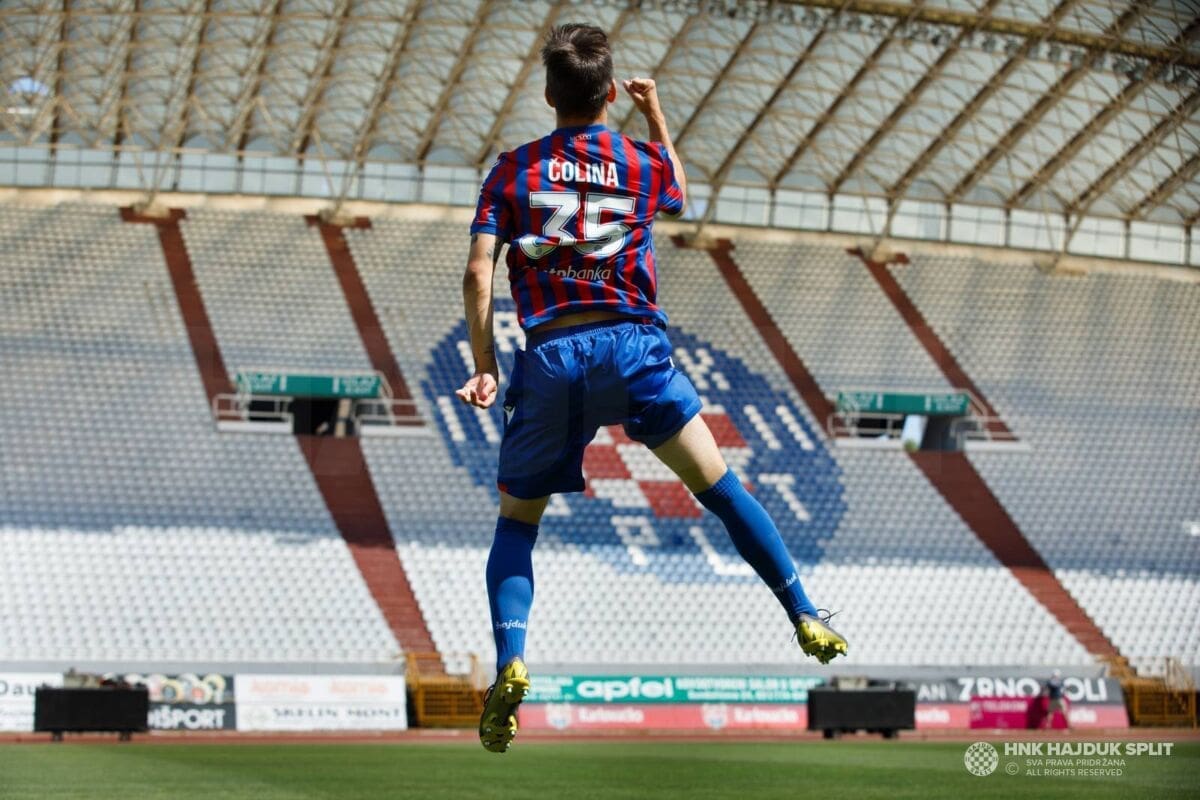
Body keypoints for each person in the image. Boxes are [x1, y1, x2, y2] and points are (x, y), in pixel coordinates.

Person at [458, 22, 847, 754]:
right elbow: (680, 193)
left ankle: (511, 659)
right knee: (722, 489)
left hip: (552, 354)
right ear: (610, 93)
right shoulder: (640, 161)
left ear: (548, 94)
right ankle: (802, 609)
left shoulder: (511, 170)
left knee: (517, 526)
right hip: (635, 348)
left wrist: (486, 365)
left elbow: (480, 271)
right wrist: (656, 113)